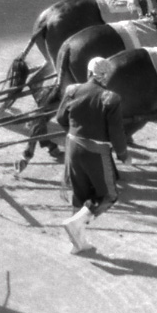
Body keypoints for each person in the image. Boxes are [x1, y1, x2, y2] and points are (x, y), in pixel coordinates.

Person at [54, 57, 130, 254]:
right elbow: (116, 132)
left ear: (88, 73)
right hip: (96, 153)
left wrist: (74, 131)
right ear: (106, 77)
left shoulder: (72, 91)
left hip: (72, 148)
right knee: (109, 195)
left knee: (79, 194)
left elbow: (61, 118)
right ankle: (76, 222)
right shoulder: (110, 98)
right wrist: (123, 155)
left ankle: (77, 243)